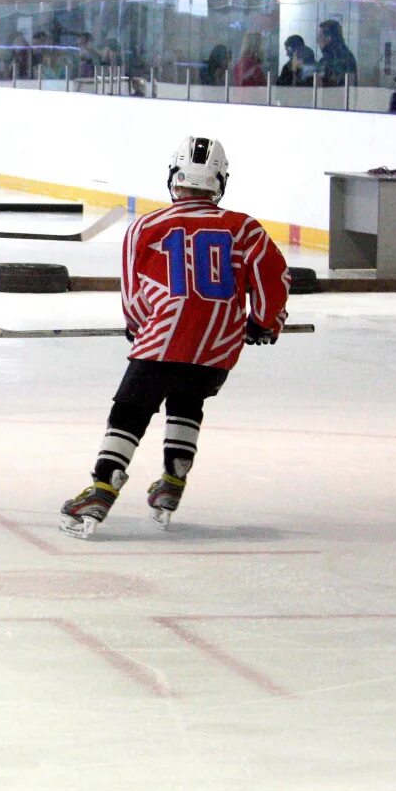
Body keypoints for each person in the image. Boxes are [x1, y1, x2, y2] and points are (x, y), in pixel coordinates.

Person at [57, 138, 289, 536]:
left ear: (174, 178)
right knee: (188, 397)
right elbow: (273, 277)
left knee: (131, 407)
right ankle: (172, 480)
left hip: (163, 336)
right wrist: (265, 322)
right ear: (219, 181)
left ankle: (102, 484)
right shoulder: (243, 227)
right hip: (219, 344)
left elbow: (133, 294)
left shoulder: (145, 226)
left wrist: (138, 328)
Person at [311, 20, 356, 90]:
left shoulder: (340, 57)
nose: (317, 40)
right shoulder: (331, 56)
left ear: (330, 37)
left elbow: (336, 85)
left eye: (320, 36)